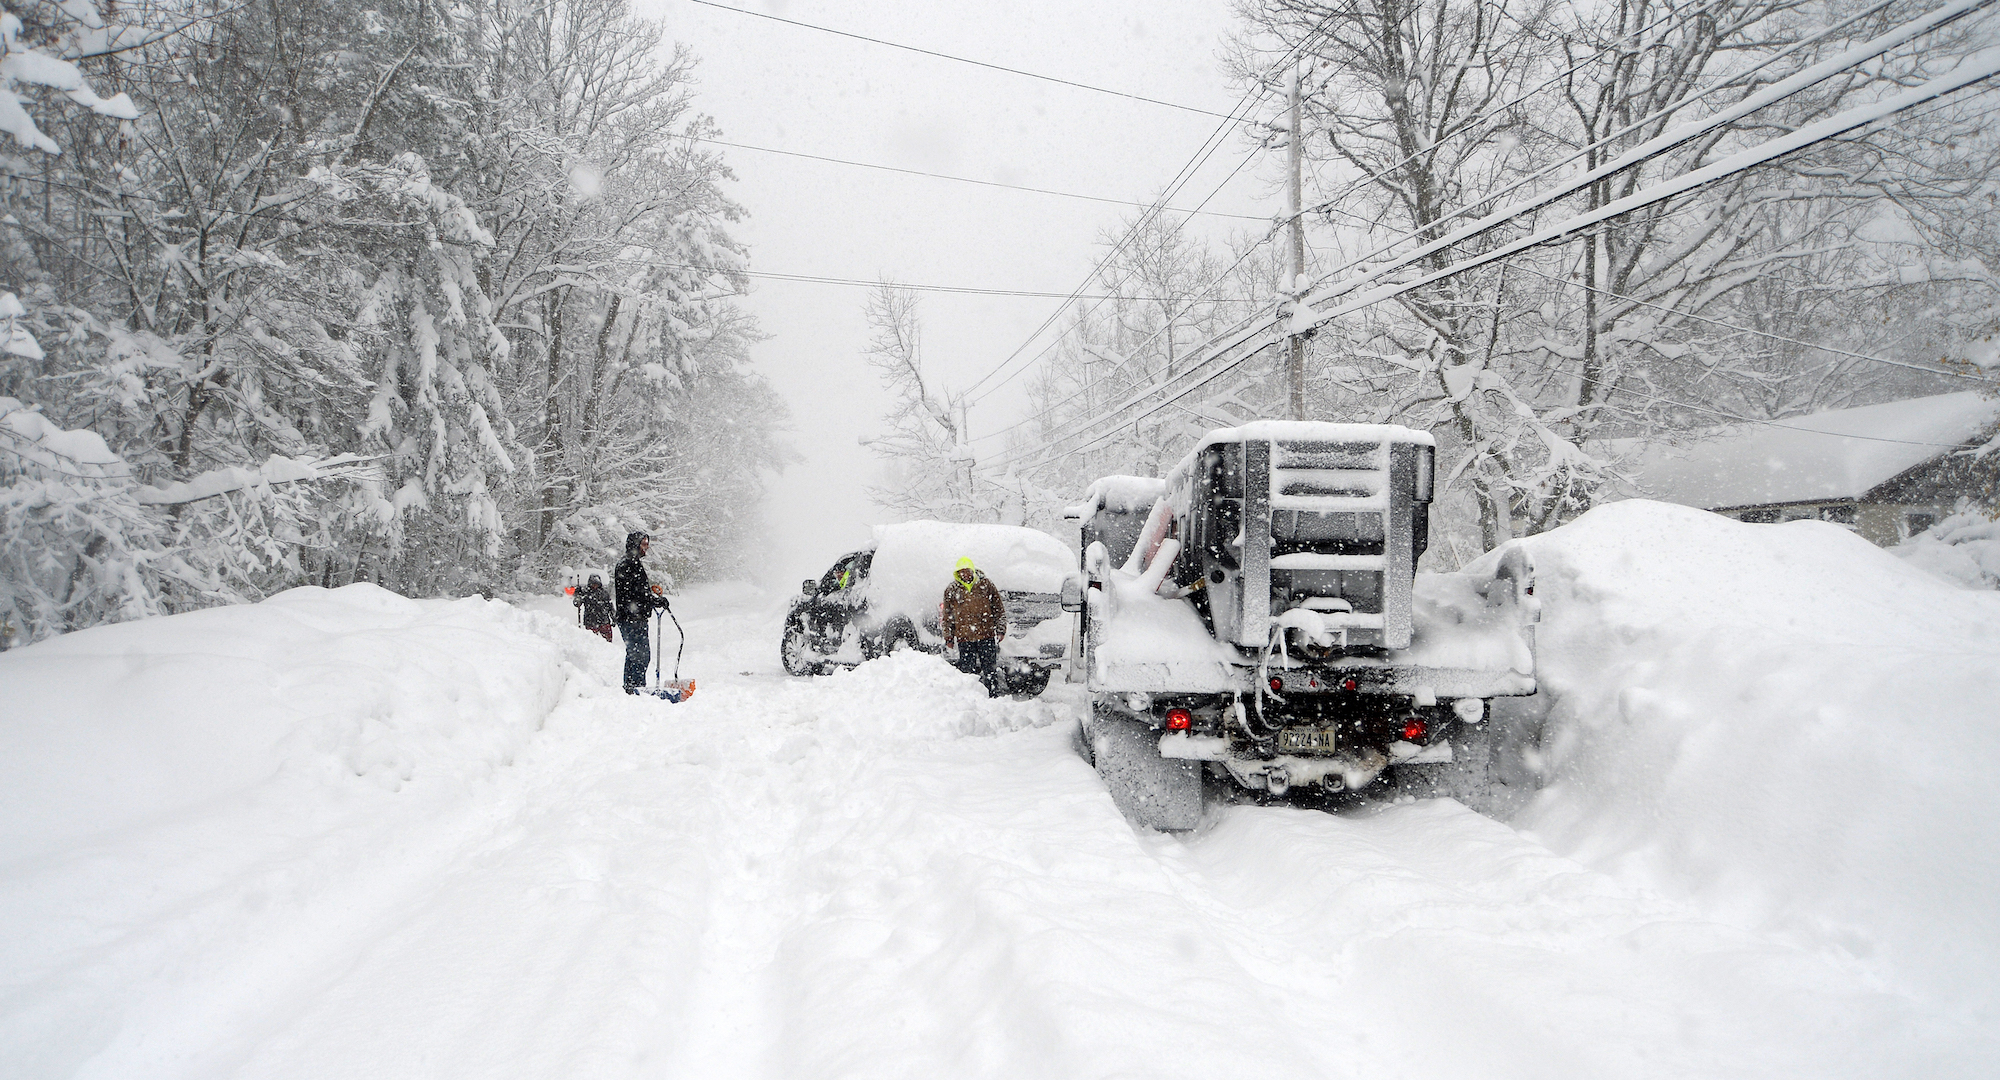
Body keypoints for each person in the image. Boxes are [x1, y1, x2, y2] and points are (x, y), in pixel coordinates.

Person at [940, 555, 1008, 697]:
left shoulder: (986, 585)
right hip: (965, 638)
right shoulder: (952, 590)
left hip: (986, 636)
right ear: (957, 574)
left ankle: (993, 697)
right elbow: (947, 616)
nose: (965, 574)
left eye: (967, 570)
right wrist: (949, 637)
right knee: (967, 673)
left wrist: (1000, 629)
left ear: (973, 571)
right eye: (961, 571)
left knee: (990, 670)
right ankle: (970, 699)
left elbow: (998, 609)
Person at [613, 530, 670, 694]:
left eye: (647, 544)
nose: (647, 547)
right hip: (631, 618)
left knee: (635, 655)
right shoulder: (629, 564)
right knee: (640, 656)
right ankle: (636, 691)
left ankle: (633, 689)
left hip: (633, 617)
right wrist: (653, 600)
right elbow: (634, 593)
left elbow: (637, 591)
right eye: (644, 544)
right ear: (635, 544)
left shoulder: (631, 562)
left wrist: (651, 597)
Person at [573, 574, 615, 642]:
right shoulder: (585, 592)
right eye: (593, 584)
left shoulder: (604, 593)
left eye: (596, 584)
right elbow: (577, 603)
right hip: (590, 621)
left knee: (608, 641)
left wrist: (614, 617)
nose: (595, 586)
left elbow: (610, 606)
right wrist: (578, 596)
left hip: (604, 620)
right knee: (592, 641)